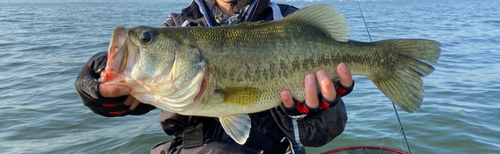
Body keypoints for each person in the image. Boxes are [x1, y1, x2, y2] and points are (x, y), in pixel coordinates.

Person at [75, 0, 354, 153]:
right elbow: (138, 97)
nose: (143, 43)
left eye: (146, 39)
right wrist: (98, 90)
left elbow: (328, 129)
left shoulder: (290, 20)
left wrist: (309, 113)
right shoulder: (178, 27)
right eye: (147, 40)